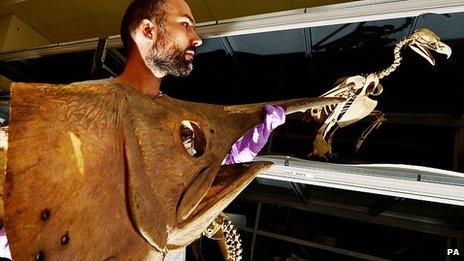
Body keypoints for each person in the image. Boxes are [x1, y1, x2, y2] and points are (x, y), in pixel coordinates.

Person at [0, 0, 284, 259]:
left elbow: (187, 181)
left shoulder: (180, 120)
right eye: (185, 24)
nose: (196, 39)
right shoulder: (79, 106)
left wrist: (231, 153)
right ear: (148, 30)